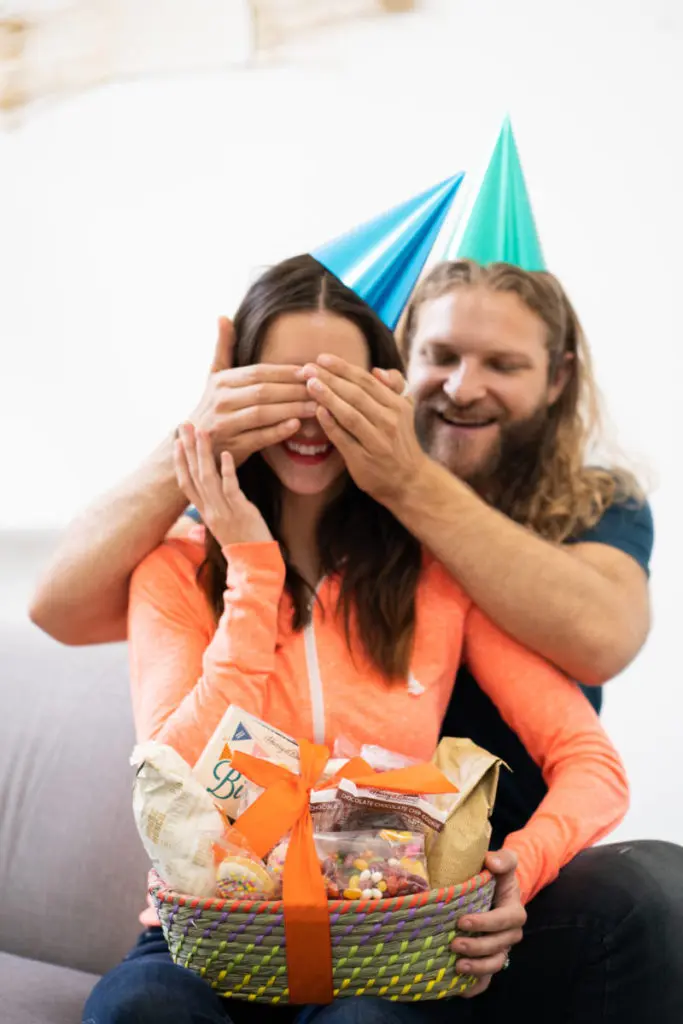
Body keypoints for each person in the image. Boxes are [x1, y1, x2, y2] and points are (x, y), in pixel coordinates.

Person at [29, 258, 682, 1023]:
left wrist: (518, 865)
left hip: (381, 933)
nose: (308, 416)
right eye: (278, 384)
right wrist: (250, 572)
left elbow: (589, 755)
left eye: (330, 387)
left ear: (382, 391)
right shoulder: (174, 563)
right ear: (233, 390)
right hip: (213, 932)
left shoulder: (437, 574)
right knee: (139, 1011)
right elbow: (172, 775)